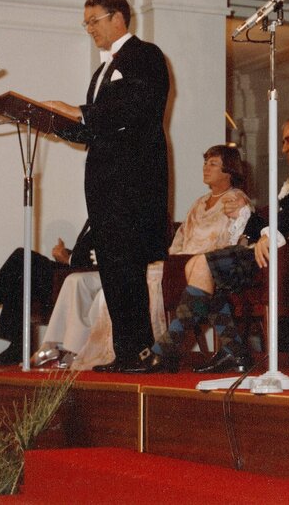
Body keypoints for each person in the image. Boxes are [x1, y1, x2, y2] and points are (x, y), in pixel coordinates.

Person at [130, 114, 289, 374]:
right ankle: (230, 351)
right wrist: (251, 216)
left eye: (288, 140)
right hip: (272, 253)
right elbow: (271, 219)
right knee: (197, 267)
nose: (284, 148)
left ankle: (169, 351)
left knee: (202, 266)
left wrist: (270, 233)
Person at [31, 145, 251, 370]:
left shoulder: (237, 200)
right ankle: (122, 351)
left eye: (212, 163)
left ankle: (154, 352)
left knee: (135, 277)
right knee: (129, 276)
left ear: (229, 170)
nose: (205, 168)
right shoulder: (199, 203)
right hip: (181, 262)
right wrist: (172, 260)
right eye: (205, 162)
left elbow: (235, 241)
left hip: (209, 264)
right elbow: (180, 237)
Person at [42, 0, 170, 373]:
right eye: (86, 23)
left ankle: (141, 352)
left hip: (134, 180)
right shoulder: (101, 72)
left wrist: (77, 112)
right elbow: (97, 130)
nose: (89, 30)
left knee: (128, 264)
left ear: (118, 18)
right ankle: (126, 352)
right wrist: (59, 125)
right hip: (104, 182)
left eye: (93, 21)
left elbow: (135, 107)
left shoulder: (146, 55)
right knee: (113, 268)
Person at [0, 231, 94, 366]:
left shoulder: (108, 219)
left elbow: (103, 256)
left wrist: (68, 258)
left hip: (83, 277)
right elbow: (87, 254)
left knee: (21, 259)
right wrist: (66, 253)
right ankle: (16, 344)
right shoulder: (92, 219)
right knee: (22, 269)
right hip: (70, 270)